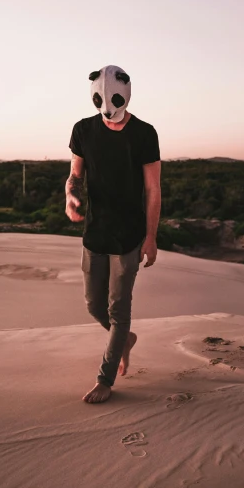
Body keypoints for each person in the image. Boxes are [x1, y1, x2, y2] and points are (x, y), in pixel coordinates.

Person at [65, 65, 161, 404]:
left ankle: (105, 379)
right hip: (95, 233)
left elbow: (153, 190)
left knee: (118, 311)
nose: (111, 114)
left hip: (130, 237)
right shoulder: (82, 130)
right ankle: (124, 339)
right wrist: (71, 196)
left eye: (116, 105)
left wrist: (150, 238)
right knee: (94, 306)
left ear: (127, 93)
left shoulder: (145, 134)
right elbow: (74, 175)